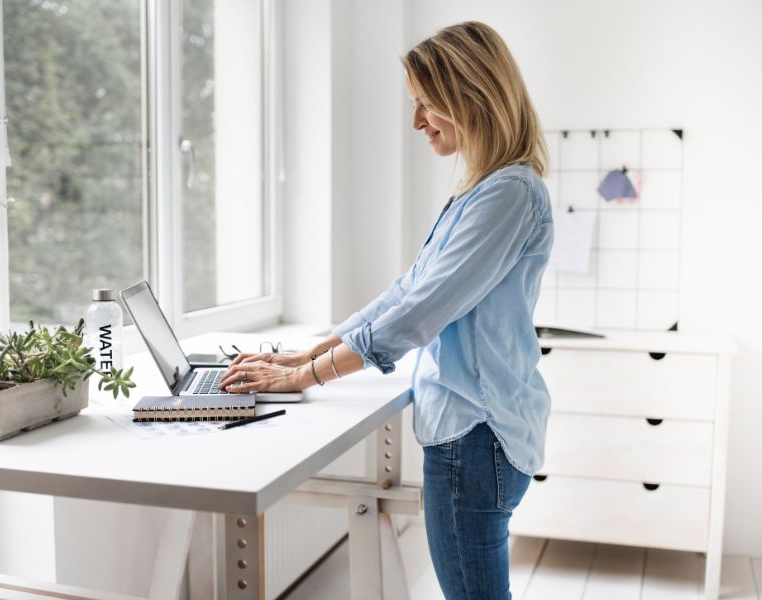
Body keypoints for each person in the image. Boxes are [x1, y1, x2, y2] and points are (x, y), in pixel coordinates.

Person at [220, 21, 552, 600]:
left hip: (476, 434)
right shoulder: (479, 193)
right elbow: (407, 290)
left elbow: (421, 313)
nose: (418, 122)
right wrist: (312, 350)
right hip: (474, 433)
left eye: (426, 105)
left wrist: (304, 377)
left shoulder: (509, 193)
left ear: (470, 95)